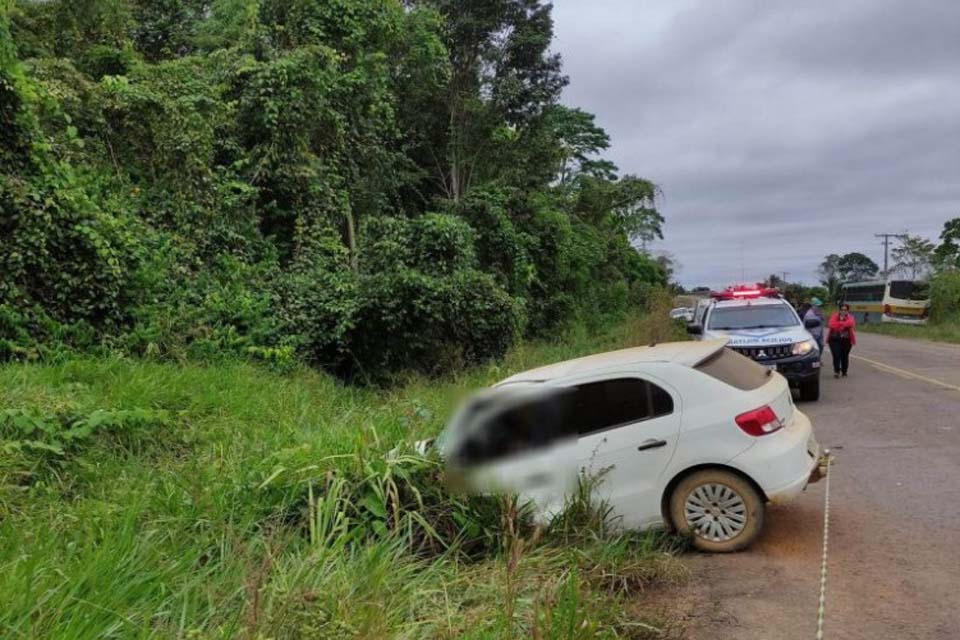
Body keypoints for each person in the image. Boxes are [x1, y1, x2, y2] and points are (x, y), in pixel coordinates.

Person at [825, 303, 857, 378]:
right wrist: (843, 324)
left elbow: (850, 323)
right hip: (834, 339)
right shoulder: (834, 316)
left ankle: (844, 371)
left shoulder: (850, 317)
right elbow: (832, 325)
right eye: (842, 310)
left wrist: (840, 324)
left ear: (848, 311)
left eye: (845, 310)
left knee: (844, 356)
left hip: (846, 340)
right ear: (839, 310)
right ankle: (836, 371)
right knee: (836, 355)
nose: (843, 311)